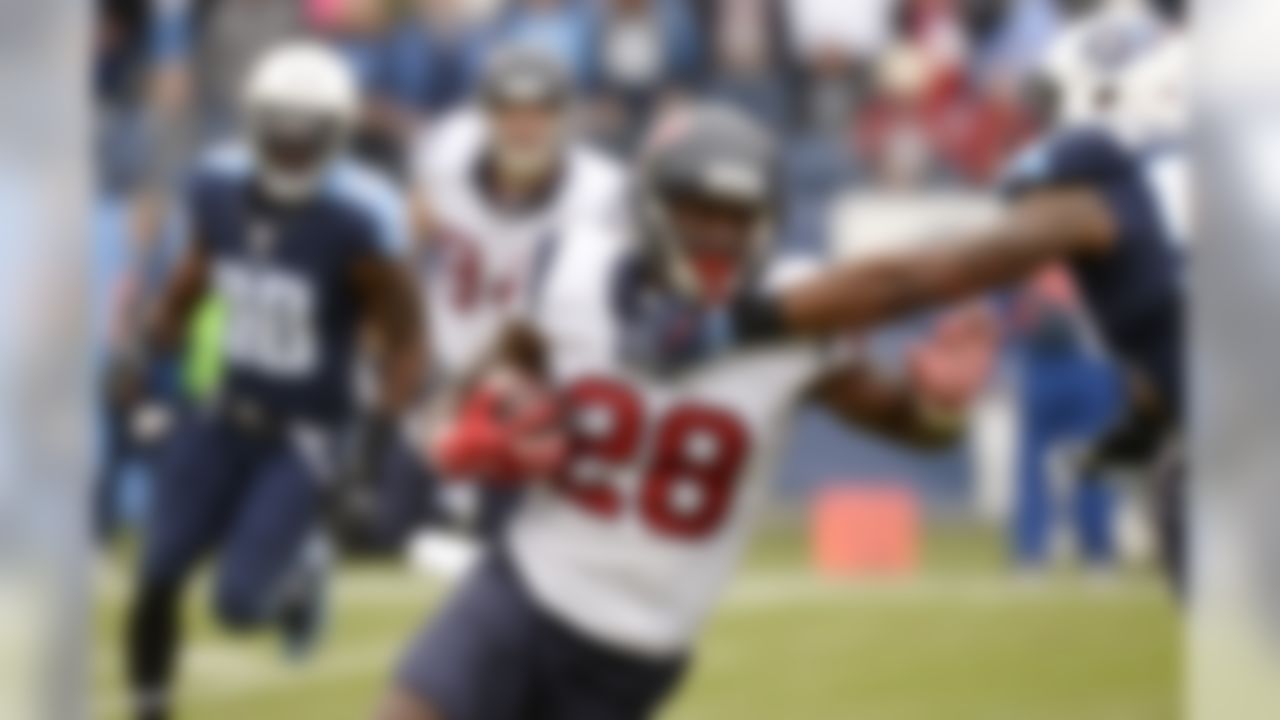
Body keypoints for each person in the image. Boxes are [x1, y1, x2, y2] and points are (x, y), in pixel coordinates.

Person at [376, 102, 994, 720]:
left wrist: (939, 405)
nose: (719, 232)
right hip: (520, 589)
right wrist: (457, 428)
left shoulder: (798, 317)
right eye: (698, 209)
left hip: (637, 646)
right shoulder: (572, 273)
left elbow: (902, 421)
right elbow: (484, 378)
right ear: (650, 205)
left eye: (739, 215)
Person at [125, 41, 424, 720]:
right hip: (222, 407)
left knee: (238, 606)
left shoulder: (359, 218)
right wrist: (154, 337)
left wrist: (372, 455)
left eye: (306, 133)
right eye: (278, 129)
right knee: (158, 571)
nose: (289, 146)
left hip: (304, 434)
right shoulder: (216, 186)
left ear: (337, 134)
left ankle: (300, 580)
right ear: (254, 123)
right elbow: (196, 274)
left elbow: (405, 341)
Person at [402, 44, 627, 550]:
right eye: (510, 112)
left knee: (510, 533)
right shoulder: (445, 154)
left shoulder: (601, 193)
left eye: (539, 113)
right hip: (443, 365)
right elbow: (406, 243)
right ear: (485, 116)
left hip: (536, 380)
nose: (523, 127)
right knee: (388, 523)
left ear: (565, 119)